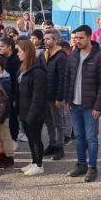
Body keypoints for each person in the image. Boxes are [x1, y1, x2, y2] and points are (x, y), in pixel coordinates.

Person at [64, 25, 101, 182]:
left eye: (81, 38)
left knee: (91, 138)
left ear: (89, 37)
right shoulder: (73, 55)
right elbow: (68, 79)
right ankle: (81, 164)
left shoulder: (99, 57)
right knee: (78, 137)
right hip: (75, 105)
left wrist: (98, 106)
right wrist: (68, 100)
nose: (77, 41)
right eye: (76, 38)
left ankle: (92, 167)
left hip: (90, 106)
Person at [15, 40, 47, 175]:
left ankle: (39, 164)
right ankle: (34, 161)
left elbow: (38, 96)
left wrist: (31, 115)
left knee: (36, 138)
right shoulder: (23, 67)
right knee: (30, 138)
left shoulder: (38, 71)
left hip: (34, 112)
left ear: (27, 52)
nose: (18, 54)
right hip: (24, 109)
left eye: (20, 51)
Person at [42, 29, 68, 161]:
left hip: (55, 96)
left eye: (48, 39)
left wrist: (59, 98)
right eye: (44, 39)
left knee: (58, 122)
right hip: (45, 95)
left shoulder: (61, 56)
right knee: (48, 122)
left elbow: (63, 79)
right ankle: (52, 143)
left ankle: (60, 147)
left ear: (56, 40)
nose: (45, 41)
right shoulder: (45, 54)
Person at [0, 56, 16, 167]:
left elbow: (6, 101)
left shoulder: (4, 82)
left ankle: (9, 156)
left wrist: (1, 114)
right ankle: (2, 155)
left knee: (5, 135)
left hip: (3, 114)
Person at [0, 36, 21, 146]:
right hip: (2, 92)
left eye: (2, 46)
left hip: (14, 91)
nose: (0, 48)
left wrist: (15, 95)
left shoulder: (16, 59)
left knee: (13, 117)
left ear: (10, 47)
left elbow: (17, 79)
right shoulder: (0, 58)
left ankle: (14, 139)